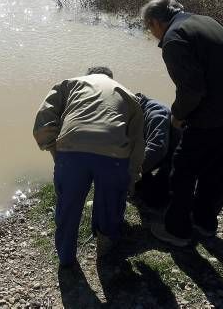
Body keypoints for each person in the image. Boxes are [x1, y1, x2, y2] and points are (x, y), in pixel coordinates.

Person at [140, 0, 223, 247]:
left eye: (148, 27)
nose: (151, 34)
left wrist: (178, 116)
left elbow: (191, 90)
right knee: (219, 169)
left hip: (214, 119)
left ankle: (177, 231)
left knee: (182, 169)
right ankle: (204, 223)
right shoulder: (206, 21)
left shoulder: (173, 39)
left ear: (154, 22)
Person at [33, 66, 145, 268]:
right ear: (111, 78)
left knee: (68, 205)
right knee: (111, 202)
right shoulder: (127, 94)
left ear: (88, 76)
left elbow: (44, 117)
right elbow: (137, 142)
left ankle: (66, 258)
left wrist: (53, 148)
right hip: (113, 153)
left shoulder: (70, 83)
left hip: (71, 147)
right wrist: (132, 176)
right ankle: (105, 249)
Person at [133, 93, 182, 210]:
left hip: (174, 158)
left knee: (154, 201)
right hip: (160, 154)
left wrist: (132, 174)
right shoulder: (137, 112)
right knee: (137, 187)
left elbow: (157, 149)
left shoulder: (157, 114)